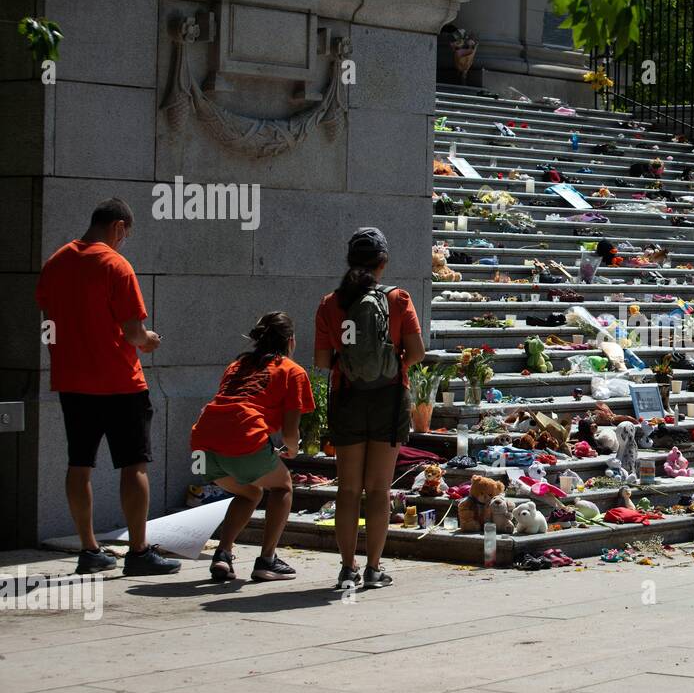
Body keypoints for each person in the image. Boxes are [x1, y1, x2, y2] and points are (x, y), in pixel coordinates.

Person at [34, 197, 179, 576]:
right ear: (118, 227)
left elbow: (49, 324)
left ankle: (89, 550)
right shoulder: (116, 265)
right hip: (120, 383)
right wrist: (150, 339)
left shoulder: (55, 263)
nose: (122, 242)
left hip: (73, 381)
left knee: (79, 464)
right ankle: (138, 551)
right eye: (124, 235)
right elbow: (133, 334)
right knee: (134, 465)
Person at [314, 228, 425, 591]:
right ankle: (374, 569)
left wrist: (348, 363)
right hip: (389, 398)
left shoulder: (331, 303)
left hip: (347, 397)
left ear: (349, 261)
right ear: (384, 262)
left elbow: (320, 360)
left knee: (348, 490)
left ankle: (348, 569)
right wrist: (392, 364)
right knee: (378, 490)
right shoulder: (398, 299)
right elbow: (417, 352)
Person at [190, 313, 315, 582]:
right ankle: (267, 560)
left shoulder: (238, 364)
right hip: (245, 438)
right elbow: (290, 431)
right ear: (291, 341)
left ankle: (223, 554)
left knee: (249, 493)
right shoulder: (292, 371)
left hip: (202, 446)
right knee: (282, 487)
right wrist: (292, 450)